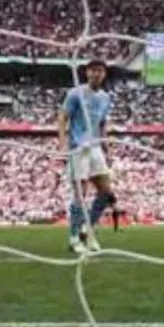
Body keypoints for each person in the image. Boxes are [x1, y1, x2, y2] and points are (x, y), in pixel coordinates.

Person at [58, 59, 115, 255]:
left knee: (107, 193)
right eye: (92, 71)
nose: (96, 74)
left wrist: (106, 147)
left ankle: (87, 229)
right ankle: (74, 238)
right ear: (87, 73)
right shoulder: (75, 94)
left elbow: (102, 123)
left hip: (96, 147)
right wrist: (63, 144)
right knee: (80, 195)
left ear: (104, 74)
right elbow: (62, 118)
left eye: (99, 71)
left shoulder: (106, 97)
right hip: (78, 148)